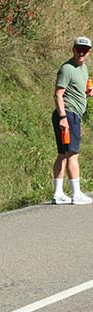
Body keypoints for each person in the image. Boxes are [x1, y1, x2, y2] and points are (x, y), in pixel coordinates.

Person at [51, 36, 93, 205]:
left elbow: (79, 88)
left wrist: (88, 92)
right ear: (73, 50)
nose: (82, 53)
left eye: (85, 50)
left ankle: (58, 194)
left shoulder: (83, 68)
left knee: (62, 154)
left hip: (70, 115)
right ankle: (76, 194)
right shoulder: (66, 69)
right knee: (72, 154)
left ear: (89, 52)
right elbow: (58, 95)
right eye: (79, 49)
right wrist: (63, 118)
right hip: (68, 115)